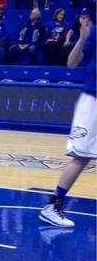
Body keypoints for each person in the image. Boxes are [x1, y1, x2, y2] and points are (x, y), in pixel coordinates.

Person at [40, 14, 95, 227]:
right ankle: (53, 205)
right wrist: (82, 37)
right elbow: (71, 63)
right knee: (81, 157)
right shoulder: (94, 32)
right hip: (93, 101)